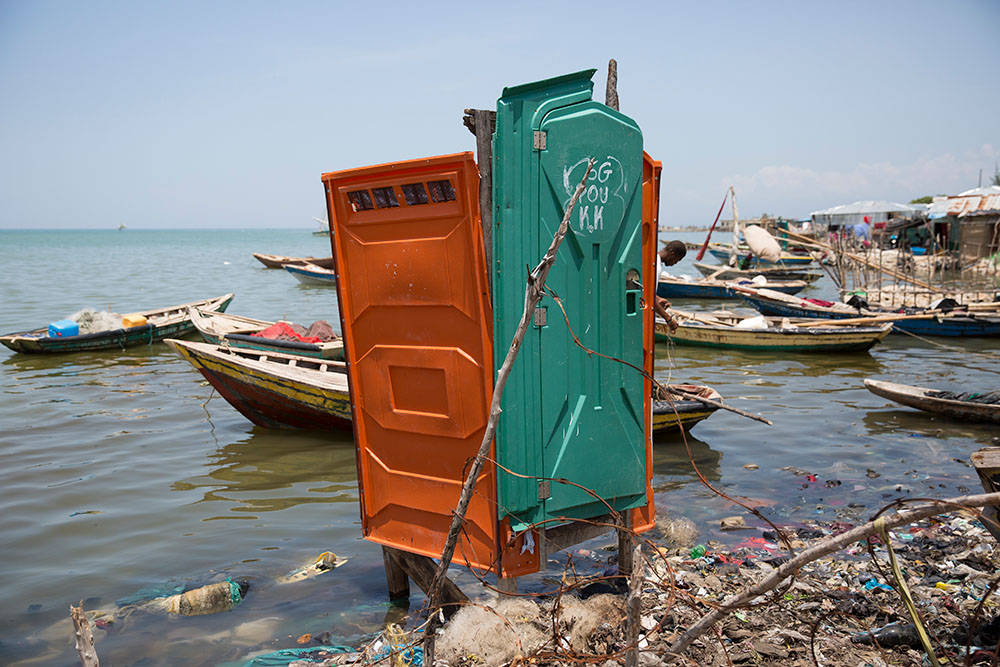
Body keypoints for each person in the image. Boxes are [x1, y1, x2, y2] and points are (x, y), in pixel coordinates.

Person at [653, 240, 687, 330]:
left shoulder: (653, 259)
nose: (675, 263)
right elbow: (647, 297)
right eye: (677, 260)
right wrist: (668, 319)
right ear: (672, 254)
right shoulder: (656, 266)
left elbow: (644, 290)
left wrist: (657, 298)